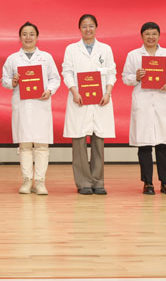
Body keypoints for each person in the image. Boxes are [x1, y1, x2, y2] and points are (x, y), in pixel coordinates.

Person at [121, 22, 166, 196]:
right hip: (144, 103)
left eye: (154, 34)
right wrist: (136, 77)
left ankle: (165, 182)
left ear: (159, 35)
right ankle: (147, 182)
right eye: (147, 34)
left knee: (163, 146)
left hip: (164, 103)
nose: (151, 37)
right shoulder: (134, 55)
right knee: (144, 145)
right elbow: (125, 78)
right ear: (142, 36)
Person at [2, 22, 60, 195]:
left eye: (31, 34)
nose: (28, 37)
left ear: (37, 37)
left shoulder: (46, 57)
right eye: (25, 34)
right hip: (22, 105)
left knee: (41, 145)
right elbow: (4, 80)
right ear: (20, 37)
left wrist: (49, 90)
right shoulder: (13, 58)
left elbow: (55, 78)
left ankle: (40, 181)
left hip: (40, 105)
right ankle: (27, 180)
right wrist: (12, 82)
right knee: (25, 145)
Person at [62, 14, 116, 195]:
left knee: (98, 141)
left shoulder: (105, 49)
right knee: (79, 142)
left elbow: (111, 73)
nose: (88, 29)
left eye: (91, 26)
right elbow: (67, 72)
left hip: (101, 100)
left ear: (96, 27)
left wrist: (108, 92)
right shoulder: (71, 49)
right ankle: (83, 182)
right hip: (79, 99)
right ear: (79, 28)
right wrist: (74, 91)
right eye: (84, 26)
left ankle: (98, 182)